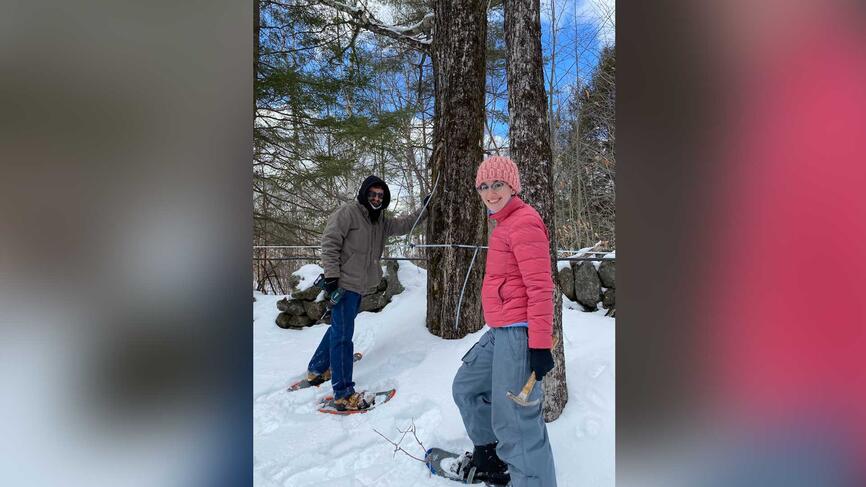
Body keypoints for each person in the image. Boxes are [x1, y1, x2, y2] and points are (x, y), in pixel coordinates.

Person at [452, 156, 557, 486]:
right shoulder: (505, 224)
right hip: (500, 330)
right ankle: (492, 460)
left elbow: (540, 288)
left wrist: (539, 346)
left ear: (513, 186)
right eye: (483, 186)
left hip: (520, 333)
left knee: (516, 423)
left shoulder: (524, 222)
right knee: (467, 387)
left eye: (497, 184)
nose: (490, 192)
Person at [305, 175, 428, 411]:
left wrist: (425, 209)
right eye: (372, 194)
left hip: (359, 285)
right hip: (343, 284)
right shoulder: (348, 213)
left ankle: (317, 369)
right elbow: (330, 243)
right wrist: (331, 276)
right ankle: (343, 394)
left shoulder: (379, 220)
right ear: (364, 194)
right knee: (343, 337)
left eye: (380, 195)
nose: (376, 198)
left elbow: (404, 224)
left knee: (340, 327)